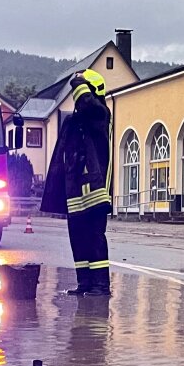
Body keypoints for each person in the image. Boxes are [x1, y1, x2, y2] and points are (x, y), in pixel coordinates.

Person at [40, 69, 113, 296]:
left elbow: (88, 104)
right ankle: (85, 283)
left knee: (94, 236)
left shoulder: (99, 115)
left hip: (95, 190)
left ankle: (100, 285)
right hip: (74, 191)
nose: (76, 96)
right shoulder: (74, 122)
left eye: (80, 90)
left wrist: (77, 80)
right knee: (78, 238)